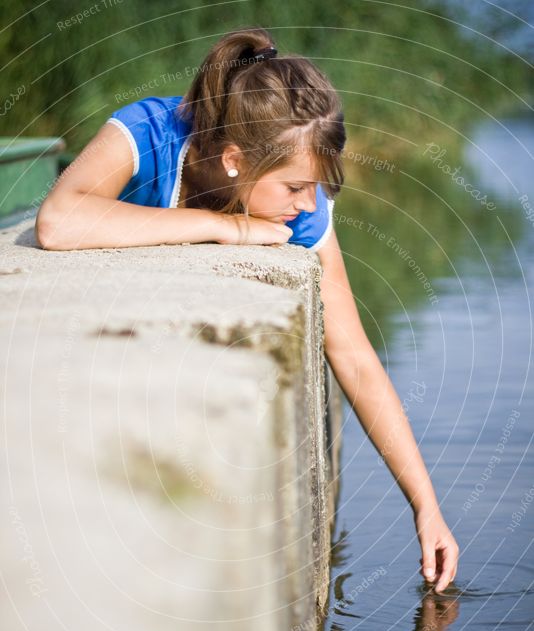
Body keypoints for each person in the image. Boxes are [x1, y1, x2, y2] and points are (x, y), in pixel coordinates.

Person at [35, 26, 459, 592]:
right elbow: (58, 222)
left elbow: (353, 356)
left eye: (317, 187)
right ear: (235, 160)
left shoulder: (302, 216)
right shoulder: (148, 132)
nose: (309, 204)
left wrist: (426, 506)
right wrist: (223, 226)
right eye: (294, 186)